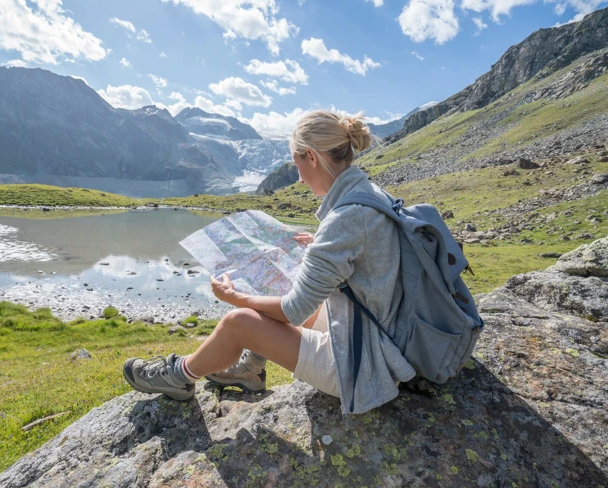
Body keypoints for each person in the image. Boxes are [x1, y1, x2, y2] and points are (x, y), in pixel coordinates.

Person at [122, 110, 416, 414]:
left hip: (364, 365)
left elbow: (293, 311)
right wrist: (321, 246)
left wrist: (235, 298)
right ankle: (251, 366)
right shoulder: (367, 194)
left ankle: (179, 377)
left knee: (239, 321)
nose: (299, 178)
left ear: (312, 157)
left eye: (296, 164)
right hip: (384, 334)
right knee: (290, 287)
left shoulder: (345, 218)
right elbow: (367, 252)